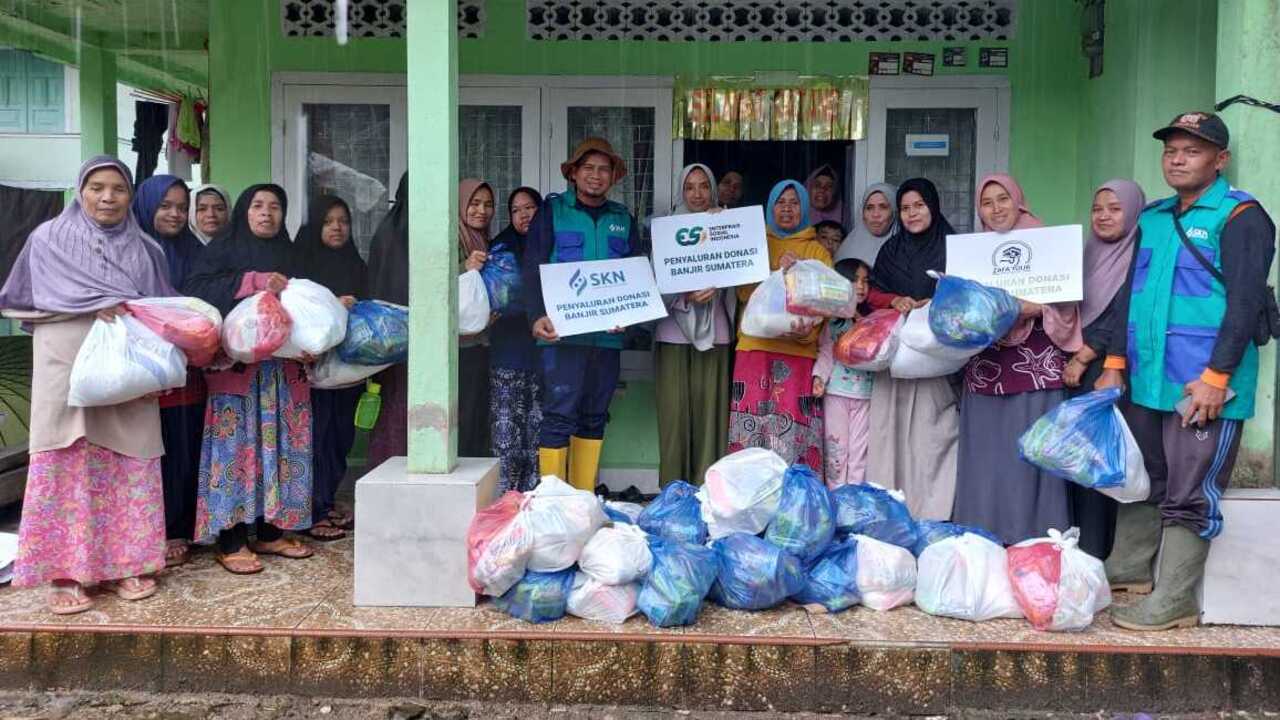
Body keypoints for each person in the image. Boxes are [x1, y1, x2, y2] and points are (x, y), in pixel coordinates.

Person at [1103, 112, 1275, 631]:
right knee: (1144, 479)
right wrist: (1113, 364)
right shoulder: (1154, 218)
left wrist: (1218, 378)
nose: (1177, 159)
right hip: (1148, 381)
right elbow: (1128, 296)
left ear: (1219, 160)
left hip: (1201, 388)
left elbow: (1245, 304)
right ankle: (1128, 573)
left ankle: (1175, 598)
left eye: (1192, 151)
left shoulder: (1242, 217)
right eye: (1171, 150)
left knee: (1190, 488)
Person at [0, 156, 173, 614]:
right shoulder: (47, 240)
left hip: (126, 370)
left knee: (128, 462)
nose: (107, 197)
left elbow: (161, 311)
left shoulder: (146, 250)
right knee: (68, 464)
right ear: (81, 190)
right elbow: (20, 302)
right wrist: (90, 307)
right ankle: (66, 573)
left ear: (130, 196)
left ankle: (128, 566)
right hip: (67, 366)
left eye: (117, 189)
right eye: (97, 187)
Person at [183, 184, 315, 574]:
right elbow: (195, 292)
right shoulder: (222, 251)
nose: (266, 213)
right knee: (238, 453)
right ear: (244, 211)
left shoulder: (293, 255)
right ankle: (231, 539)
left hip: (283, 373)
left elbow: (309, 305)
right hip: (237, 375)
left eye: (276, 206)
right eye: (258, 205)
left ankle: (270, 532)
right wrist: (252, 282)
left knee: (278, 452)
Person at [951, 174, 1083, 545]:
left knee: (1032, 454)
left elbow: (1067, 301)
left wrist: (1034, 307)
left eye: (1003, 199)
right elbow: (964, 310)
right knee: (989, 455)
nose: (995, 209)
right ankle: (986, 538)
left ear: (1019, 201)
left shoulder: (1046, 242)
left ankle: (1037, 540)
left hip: (1034, 368)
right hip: (986, 366)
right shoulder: (974, 253)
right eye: (987, 202)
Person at [522, 137, 645, 489]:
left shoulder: (623, 218)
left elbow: (635, 275)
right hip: (561, 337)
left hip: (607, 340)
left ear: (613, 177)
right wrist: (536, 316)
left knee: (594, 418)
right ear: (574, 174)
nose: (596, 175)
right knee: (558, 416)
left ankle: (582, 502)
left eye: (603, 169)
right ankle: (552, 503)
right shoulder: (553, 211)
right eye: (588, 168)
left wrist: (631, 316)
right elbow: (533, 266)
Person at [864, 179, 959, 519]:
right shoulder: (891, 251)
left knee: (932, 438)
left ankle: (933, 513)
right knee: (891, 437)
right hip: (897, 363)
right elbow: (871, 293)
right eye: (905, 208)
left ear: (932, 206)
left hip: (937, 363)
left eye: (919, 205)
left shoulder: (954, 247)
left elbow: (969, 293)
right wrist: (895, 300)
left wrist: (937, 303)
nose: (912, 213)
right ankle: (892, 513)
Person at [1061, 179, 1146, 559]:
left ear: (1132, 210)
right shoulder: (1091, 251)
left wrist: (1084, 355)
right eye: (1098, 209)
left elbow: (1122, 312)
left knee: (1104, 461)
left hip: (1112, 367)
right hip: (1080, 366)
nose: (1104, 216)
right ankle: (1080, 546)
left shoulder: (1140, 252)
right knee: (1081, 460)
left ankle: (1101, 553)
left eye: (1115, 208)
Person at [729, 179, 831, 471]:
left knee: (792, 431)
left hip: (798, 352)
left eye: (794, 202)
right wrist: (778, 273)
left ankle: (793, 496)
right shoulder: (754, 244)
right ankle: (748, 492)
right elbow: (744, 293)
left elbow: (827, 302)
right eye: (780, 202)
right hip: (755, 349)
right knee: (750, 427)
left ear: (805, 208)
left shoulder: (817, 252)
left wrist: (801, 270)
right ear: (771, 207)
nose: (787, 209)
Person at [131, 174, 206, 567]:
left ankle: (181, 524)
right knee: (148, 450)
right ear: (146, 207)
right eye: (166, 206)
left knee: (185, 444)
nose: (175, 214)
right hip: (144, 371)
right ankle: (151, 529)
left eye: (181, 206)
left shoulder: (196, 252)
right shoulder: (132, 251)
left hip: (189, 370)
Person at [654, 164, 733, 487]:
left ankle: (707, 490)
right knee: (674, 416)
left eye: (704, 186)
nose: (697, 194)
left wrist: (721, 281)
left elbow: (743, 267)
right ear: (681, 191)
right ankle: (673, 491)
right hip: (673, 331)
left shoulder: (726, 226)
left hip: (716, 331)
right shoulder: (666, 229)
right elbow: (654, 281)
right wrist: (683, 292)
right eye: (690, 187)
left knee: (711, 416)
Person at [296, 195, 366, 541]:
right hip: (315, 371)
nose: (337, 227)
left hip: (348, 370)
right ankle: (314, 508)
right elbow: (297, 309)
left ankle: (327, 499)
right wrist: (331, 305)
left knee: (341, 437)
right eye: (328, 222)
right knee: (317, 437)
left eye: (343, 221)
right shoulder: (305, 265)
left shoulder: (355, 264)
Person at [488, 186, 544, 493]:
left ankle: (535, 494)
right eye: (516, 210)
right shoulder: (500, 248)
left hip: (545, 353)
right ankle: (506, 497)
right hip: (508, 353)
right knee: (507, 430)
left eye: (530, 208)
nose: (523, 215)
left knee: (538, 428)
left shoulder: (552, 247)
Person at [813, 258, 874, 488]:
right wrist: (819, 377)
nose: (860, 286)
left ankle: (855, 501)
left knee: (860, 453)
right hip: (836, 393)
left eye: (865, 281)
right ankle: (836, 498)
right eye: (853, 280)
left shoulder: (872, 319)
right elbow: (827, 351)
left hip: (866, 394)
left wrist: (864, 323)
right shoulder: (832, 322)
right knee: (836, 449)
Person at [365, 173, 409, 470]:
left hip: (392, 337)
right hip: (396, 338)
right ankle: (391, 470)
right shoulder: (395, 231)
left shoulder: (389, 228)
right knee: (398, 406)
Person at [458, 179, 497, 458]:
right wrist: (464, 267)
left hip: (482, 345)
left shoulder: (488, 242)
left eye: (488, 204)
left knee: (477, 416)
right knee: (461, 416)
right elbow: (431, 286)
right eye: (474, 203)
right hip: (457, 348)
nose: (481, 211)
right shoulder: (452, 240)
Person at [836, 182, 898, 266]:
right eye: (869, 208)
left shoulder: (906, 249)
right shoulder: (847, 250)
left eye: (883, 207)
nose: (875, 214)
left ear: (895, 211)